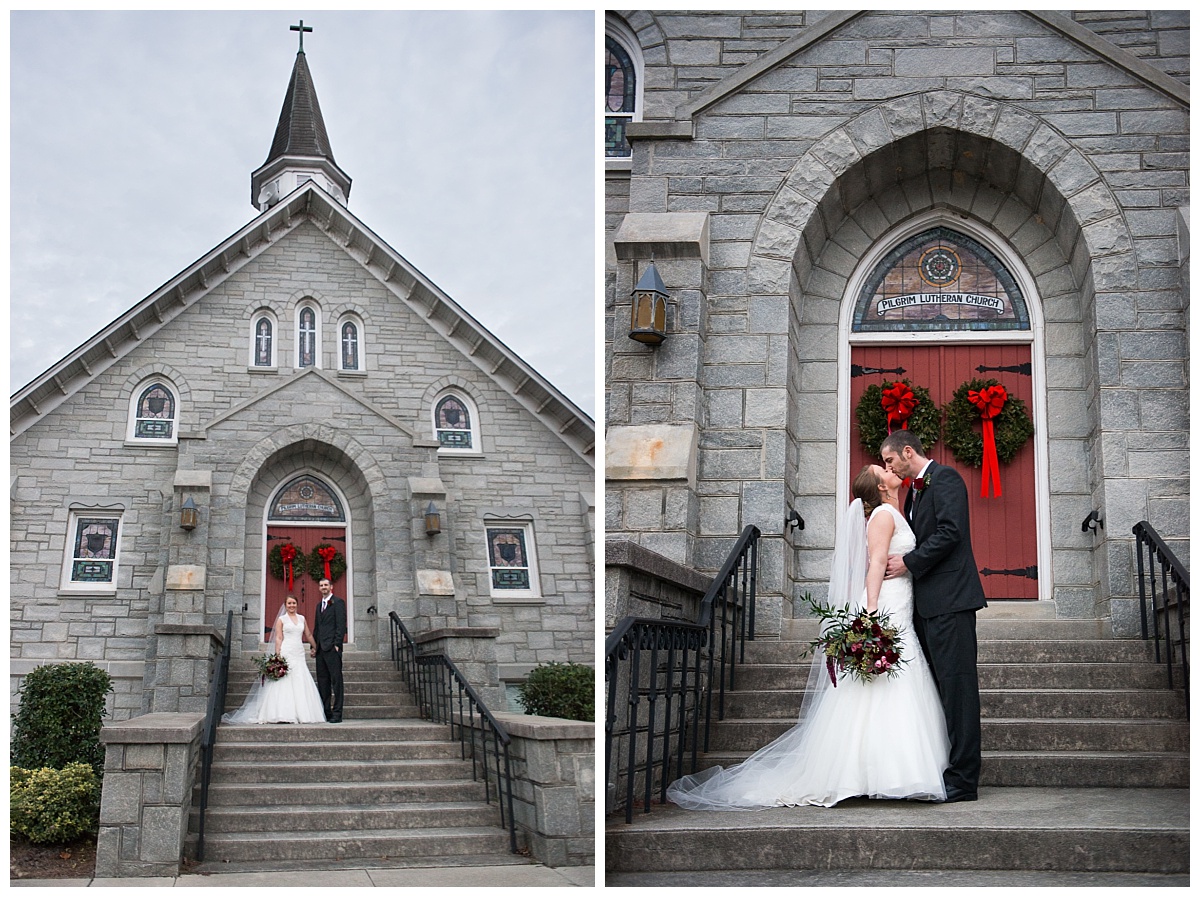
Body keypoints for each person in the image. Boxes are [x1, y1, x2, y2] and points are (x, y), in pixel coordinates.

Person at [666, 464, 950, 809]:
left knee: (897, 679)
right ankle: (879, 773)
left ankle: (895, 771)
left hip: (902, 602)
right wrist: (872, 612)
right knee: (882, 683)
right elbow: (875, 564)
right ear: (880, 484)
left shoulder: (894, 510)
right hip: (887, 603)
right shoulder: (883, 515)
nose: (890, 469)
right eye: (883, 469)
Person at [881, 430, 987, 803]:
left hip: (951, 601)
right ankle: (945, 765)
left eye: (890, 460)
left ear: (908, 451)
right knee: (942, 689)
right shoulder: (914, 492)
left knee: (959, 689)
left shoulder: (946, 479)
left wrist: (909, 562)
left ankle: (964, 779)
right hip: (927, 607)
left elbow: (951, 532)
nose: (888, 466)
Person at [223, 595, 326, 725]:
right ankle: (281, 712)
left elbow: (309, 634)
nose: (292, 605)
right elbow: (278, 637)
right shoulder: (282, 620)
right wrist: (277, 656)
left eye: (294, 603)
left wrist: (316, 647)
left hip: (299, 652)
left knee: (300, 678)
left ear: (297, 604)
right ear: (285, 605)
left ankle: (303, 713)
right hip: (286, 651)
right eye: (289, 603)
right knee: (284, 681)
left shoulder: (302, 619)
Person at [311, 577, 347, 723]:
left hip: (332, 647)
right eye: (321, 585)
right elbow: (317, 627)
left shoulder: (338, 603)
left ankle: (337, 713)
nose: (324, 587)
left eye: (326, 585)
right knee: (323, 681)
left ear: (331, 587)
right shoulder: (319, 605)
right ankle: (326, 712)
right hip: (320, 649)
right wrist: (313, 647)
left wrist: (337, 643)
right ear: (319, 588)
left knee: (336, 680)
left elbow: (341, 624)